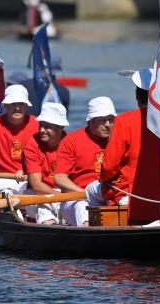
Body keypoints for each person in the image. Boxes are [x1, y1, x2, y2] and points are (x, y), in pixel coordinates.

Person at [94, 69, 160, 223]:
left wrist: (103, 178)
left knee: (93, 192)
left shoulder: (124, 121)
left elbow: (109, 167)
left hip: (137, 202)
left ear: (137, 96)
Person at [54, 96, 116, 226]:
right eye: (102, 120)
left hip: (110, 195)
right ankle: (90, 235)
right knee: (82, 207)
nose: (107, 125)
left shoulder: (119, 140)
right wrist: (84, 194)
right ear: (90, 120)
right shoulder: (71, 141)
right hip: (76, 198)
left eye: (111, 120)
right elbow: (60, 179)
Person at [22, 102, 69, 224]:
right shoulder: (32, 144)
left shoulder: (71, 143)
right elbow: (36, 185)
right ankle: (50, 224)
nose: (42, 130)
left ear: (60, 127)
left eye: (47, 126)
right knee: (44, 207)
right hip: (39, 193)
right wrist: (60, 198)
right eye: (41, 125)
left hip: (65, 194)